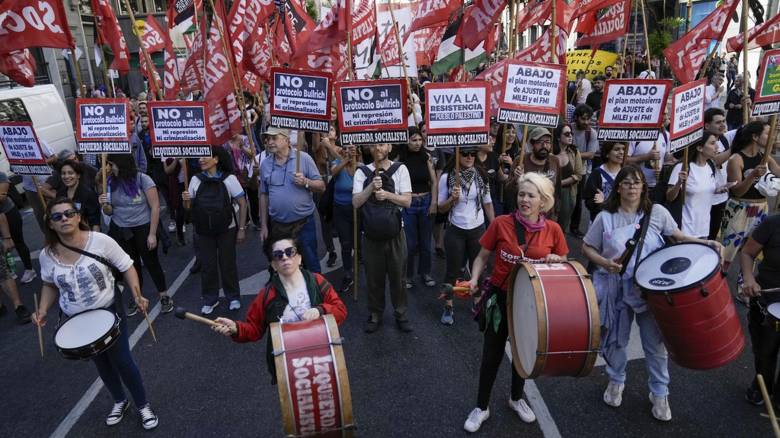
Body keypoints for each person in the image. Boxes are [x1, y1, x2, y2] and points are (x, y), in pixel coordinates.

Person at [582, 165, 722, 422]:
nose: (632, 187)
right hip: (616, 289)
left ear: (644, 187)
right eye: (627, 183)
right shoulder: (605, 217)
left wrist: (706, 242)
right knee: (617, 341)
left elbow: (678, 237)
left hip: (651, 293)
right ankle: (616, 381)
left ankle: (659, 393)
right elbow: (588, 246)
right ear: (619, 187)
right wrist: (603, 264)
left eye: (637, 183)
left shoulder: (656, 212)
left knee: (655, 346)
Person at [32, 198, 159, 429]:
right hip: (77, 320)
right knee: (101, 364)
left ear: (78, 217)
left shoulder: (100, 241)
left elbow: (127, 266)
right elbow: (49, 284)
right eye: (57, 216)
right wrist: (42, 310)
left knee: (122, 361)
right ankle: (120, 401)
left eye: (69, 213)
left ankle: (143, 405)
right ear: (50, 224)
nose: (64, 219)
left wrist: (137, 294)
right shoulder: (46, 255)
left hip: (109, 312)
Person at [463, 173, 568, 432]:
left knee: (524, 354)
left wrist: (557, 261)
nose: (524, 199)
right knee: (491, 356)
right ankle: (481, 407)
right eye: (521, 194)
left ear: (543, 201)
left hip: (532, 303)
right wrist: (475, 278)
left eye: (531, 195)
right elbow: (482, 256)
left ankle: (516, 398)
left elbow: (564, 261)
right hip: (499, 298)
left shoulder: (553, 230)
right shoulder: (500, 223)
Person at [212, 235, 347, 383]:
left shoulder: (317, 282)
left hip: (323, 361)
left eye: (290, 251)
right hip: (290, 369)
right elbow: (254, 329)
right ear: (273, 265)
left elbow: (340, 310)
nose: (284, 257)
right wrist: (235, 328)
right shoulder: (266, 295)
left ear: (300, 258)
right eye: (278, 255)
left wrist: (320, 310)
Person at [98, 154, 173, 314]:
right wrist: (104, 204)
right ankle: (138, 297)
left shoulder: (143, 179)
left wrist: (152, 234)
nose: (108, 168)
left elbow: (155, 207)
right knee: (131, 266)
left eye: (111, 164)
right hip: (122, 230)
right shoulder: (110, 182)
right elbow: (109, 211)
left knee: (152, 263)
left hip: (144, 227)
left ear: (121, 164)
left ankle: (164, 295)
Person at [352, 143, 413, 333]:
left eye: (382, 144)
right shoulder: (361, 172)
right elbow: (356, 202)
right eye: (374, 145)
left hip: (395, 235)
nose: (378, 148)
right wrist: (371, 186)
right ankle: (375, 314)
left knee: (398, 278)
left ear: (390, 146)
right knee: (374, 279)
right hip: (371, 236)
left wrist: (386, 194)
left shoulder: (401, 169)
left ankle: (401, 313)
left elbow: (407, 201)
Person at [182, 147, 248, 315]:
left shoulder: (230, 179)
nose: (201, 160)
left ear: (217, 159)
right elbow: (188, 208)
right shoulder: (195, 180)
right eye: (199, 157)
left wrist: (241, 228)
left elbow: (242, 203)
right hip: (203, 231)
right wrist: (186, 201)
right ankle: (210, 299)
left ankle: (233, 296)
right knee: (208, 266)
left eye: (205, 156)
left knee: (228, 264)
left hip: (227, 229)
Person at [438, 149, 494, 325]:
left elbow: (487, 202)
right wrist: (451, 200)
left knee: (479, 270)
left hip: (477, 229)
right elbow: (441, 208)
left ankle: (477, 303)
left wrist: (495, 227)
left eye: (472, 154)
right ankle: (448, 306)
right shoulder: (447, 177)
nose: (469, 157)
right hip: (456, 229)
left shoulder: (481, 175)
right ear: (457, 155)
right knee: (452, 270)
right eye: (464, 154)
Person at [259, 127, 325, 273]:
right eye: (267, 139)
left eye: (274, 138)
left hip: (303, 224)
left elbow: (321, 186)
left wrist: (306, 182)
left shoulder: (304, 158)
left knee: (311, 264)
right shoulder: (265, 164)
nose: (269, 142)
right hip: (278, 226)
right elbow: (263, 195)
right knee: (285, 267)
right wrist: (264, 225)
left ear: (287, 140)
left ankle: (316, 295)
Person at [721, 120, 780, 270]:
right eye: (768, 134)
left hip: (761, 209)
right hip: (739, 209)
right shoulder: (736, 159)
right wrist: (752, 175)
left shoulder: (764, 156)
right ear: (755, 137)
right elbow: (737, 191)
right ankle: (718, 286)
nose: (771, 137)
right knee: (727, 254)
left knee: (751, 253)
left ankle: (744, 288)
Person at [740, 212, 780, 407]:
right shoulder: (773, 223)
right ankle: (763, 386)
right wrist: (749, 278)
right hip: (767, 299)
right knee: (765, 351)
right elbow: (747, 252)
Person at [666, 133, 727, 237]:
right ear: (700, 148)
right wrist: (678, 183)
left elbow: (703, 189)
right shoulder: (683, 167)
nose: (717, 146)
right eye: (712, 143)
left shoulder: (710, 166)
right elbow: (669, 197)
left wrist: (718, 190)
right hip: (685, 230)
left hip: (704, 229)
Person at [399, 127, 437, 290]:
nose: (417, 143)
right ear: (406, 141)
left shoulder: (426, 157)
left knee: (426, 242)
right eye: (413, 140)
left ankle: (425, 273)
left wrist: (434, 202)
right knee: (410, 243)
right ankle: (408, 275)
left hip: (426, 201)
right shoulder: (400, 159)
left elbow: (434, 181)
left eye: (419, 139)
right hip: (409, 203)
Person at [503, 127, 561, 215]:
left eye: (547, 142)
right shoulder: (521, 160)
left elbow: (557, 189)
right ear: (532, 144)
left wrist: (556, 210)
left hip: (548, 215)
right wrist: (516, 179)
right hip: (525, 215)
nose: (544, 146)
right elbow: (508, 190)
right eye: (539, 142)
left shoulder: (554, 161)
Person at [330, 143, 360, 293]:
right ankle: (348, 273)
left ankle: (359, 266)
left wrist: (354, 162)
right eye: (346, 147)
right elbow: (334, 173)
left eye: (352, 148)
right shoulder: (336, 163)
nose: (349, 150)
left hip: (357, 209)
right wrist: (345, 160)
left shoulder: (360, 166)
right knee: (346, 242)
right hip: (340, 209)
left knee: (358, 242)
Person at [704, 108, 736, 239]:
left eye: (724, 121)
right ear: (706, 125)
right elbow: (715, 161)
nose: (723, 125)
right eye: (718, 122)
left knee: (713, 234)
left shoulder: (724, 138)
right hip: (705, 198)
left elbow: (748, 128)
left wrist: (748, 107)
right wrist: (734, 148)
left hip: (721, 197)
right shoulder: (701, 142)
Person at [0, 172, 37, 283]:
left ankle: (29, 269)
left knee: (17, 241)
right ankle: (9, 270)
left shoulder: (1, 175)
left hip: (8, 213)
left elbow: (1, 196)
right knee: (2, 245)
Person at [571, 104, 600, 236]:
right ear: (576, 117)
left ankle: (574, 227)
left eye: (588, 119)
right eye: (583, 119)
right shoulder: (568, 129)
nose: (587, 122)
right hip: (564, 169)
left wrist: (571, 154)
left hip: (581, 171)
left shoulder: (591, 133)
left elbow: (591, 154)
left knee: (578, 201)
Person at [553, 122, 584, 232]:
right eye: (566, 134)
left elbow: (578, 175)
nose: (570, 136)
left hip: (568, 194)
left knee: (561, 228)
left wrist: (560, 183)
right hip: (551, 194)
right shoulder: (550, 153)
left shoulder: (574, 152)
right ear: (558, 137)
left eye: (571, 133)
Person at [584, 142, 625, 220]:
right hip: (601, 220)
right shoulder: (597, 174)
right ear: (607, 154)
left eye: (623, 149)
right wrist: (598, 203)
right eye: (617, 149)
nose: (621, 152)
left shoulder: (628, 173)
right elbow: (588, 201)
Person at [55, 160, 101, 231]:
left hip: (85, 234)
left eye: (70, 173)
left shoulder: (89, 194)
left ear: (78, 175)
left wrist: (93, 240)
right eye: (63, 173)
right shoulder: (60, 193)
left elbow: (95, 221)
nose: (66, 176)